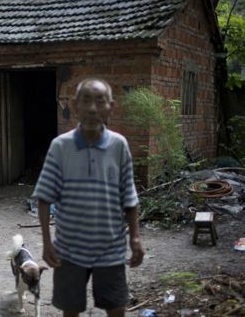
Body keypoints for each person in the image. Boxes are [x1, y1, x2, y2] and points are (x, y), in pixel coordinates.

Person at [33, 78, 145, 317]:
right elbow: (44, 197)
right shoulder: (60, 146)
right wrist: (46, 243)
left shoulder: (119, 145)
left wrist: (135, 238)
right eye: (86, 101)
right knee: (70, 308)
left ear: (111, 106)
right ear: (74, 105)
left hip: (111, 248)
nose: (93, 108)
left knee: (116, 307)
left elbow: (129, 196)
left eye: (100, 101)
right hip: (69, 249)